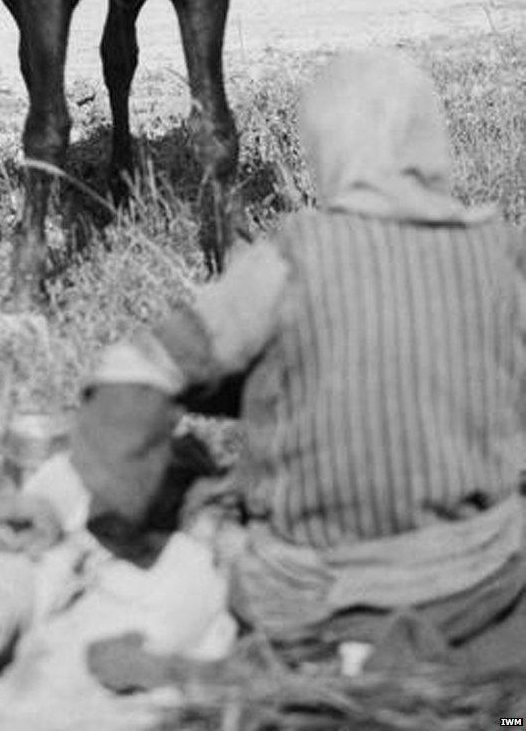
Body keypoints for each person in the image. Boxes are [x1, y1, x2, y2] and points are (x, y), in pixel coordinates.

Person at [60, 50, 526, 667]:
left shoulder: (291, 259)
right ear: (431, 142)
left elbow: (133, 377)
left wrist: (142, 526)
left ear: (325, 151)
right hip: (476, 586)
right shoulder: (501, 253)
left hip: (307, 600)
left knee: (196, 490)